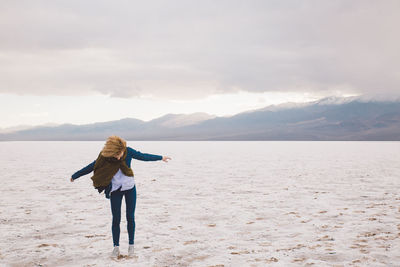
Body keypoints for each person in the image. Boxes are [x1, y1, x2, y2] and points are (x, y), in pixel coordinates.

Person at [70, 135, 171, 258]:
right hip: (115, 190)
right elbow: (91, 166)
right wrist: (75, 175)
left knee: (130, 217)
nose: (118, 156)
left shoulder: (128, 151)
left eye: (120, 153)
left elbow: (143, 156)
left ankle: (131, 246)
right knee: (116, 219)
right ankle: (116, 247)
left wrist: (160, 157)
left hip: (130, 189)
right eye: (116, 155)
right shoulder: (104, 157)